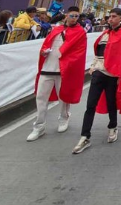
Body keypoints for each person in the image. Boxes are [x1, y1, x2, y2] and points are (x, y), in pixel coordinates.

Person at [73, 8, 121, 154]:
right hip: (99, 73)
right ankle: (85, 136)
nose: (110, 19)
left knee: (111, 103)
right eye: (109, 16)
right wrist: (93, 67)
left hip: (113, 75)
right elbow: (98, 53)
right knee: (90, 105)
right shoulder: (105, 34)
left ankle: (112, 127)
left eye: (114, 17)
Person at [28, 8, 87, 141]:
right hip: (47, 67)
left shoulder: (80, 32)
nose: (74, 18)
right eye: (72, 15)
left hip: (63, 70)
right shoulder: (56, 29)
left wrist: (66, 58)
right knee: (41, 97)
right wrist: (44, 51)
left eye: (77, 16)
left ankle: (63, 118)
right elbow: (45, 45)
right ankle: (39, 126)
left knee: (63, 97)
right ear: (66, 15)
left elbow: (79, 52)